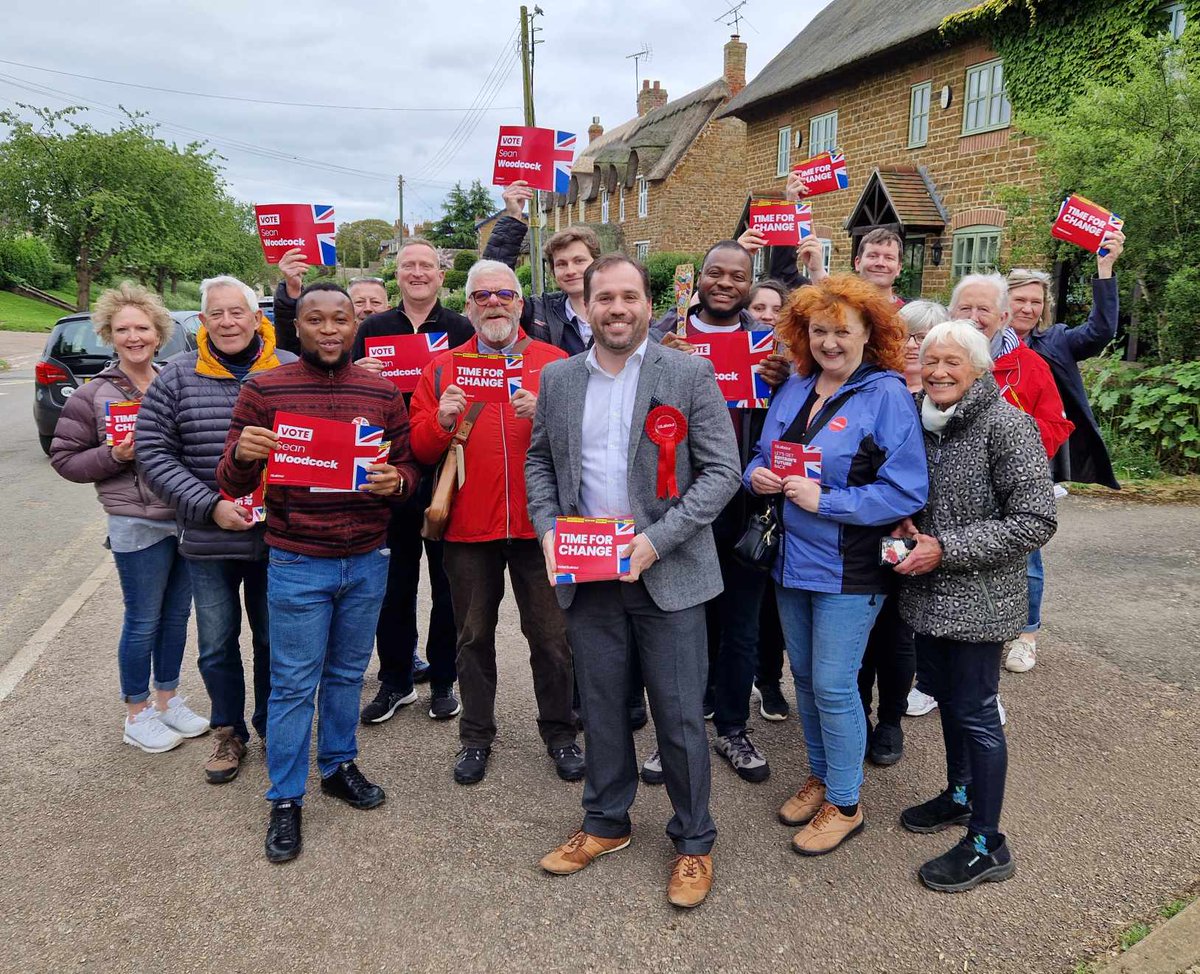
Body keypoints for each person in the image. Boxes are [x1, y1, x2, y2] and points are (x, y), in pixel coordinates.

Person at [526, 253, 741, 908]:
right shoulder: (560, 379)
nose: (617, 308)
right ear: (586, 306)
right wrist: (547, 531)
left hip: (666, 572)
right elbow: (538, 461)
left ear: (649, 304)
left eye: (629, 297)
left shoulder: (689, 371)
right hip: (588, 574)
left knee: (678, 716)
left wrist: (653, 541)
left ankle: (693, 840)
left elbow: (720, 473)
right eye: (604, 298)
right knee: (603, 708)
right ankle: (605, 823)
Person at [217, 281, 420, 863]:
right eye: (316, 320)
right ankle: (285, 797)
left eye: (341, 319)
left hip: (366, 559)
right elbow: (229, 482)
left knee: (347, 674)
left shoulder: (382, 391)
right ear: (294, 327)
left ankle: (336, 764)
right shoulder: (264, 389)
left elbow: (406, 467)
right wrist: (243, 456)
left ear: (356, 326)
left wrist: (398, 482)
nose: (329, 330)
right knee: (292, 684)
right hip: (297, 559)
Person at [744, 274, 928, 856]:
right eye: (819, 331)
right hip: (790, 561)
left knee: (832, 683)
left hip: (850, 568)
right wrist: (759, 476)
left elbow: (906, 490)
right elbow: (760, 453)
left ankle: (846, 804)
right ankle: (823, 777)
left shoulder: (888, 394)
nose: (829, 342)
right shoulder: (795, 387)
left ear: (869, 332)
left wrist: (826, 501)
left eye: (841, 331)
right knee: (805, 681)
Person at [892, 319, 1056, 892]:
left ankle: (989, 842)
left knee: (977, 711)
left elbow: (1037, 519)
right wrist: (905, 521)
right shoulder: (921, 419)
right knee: (948, 700)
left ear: (979, 370)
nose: (937, 371)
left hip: (981, 600)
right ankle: (960, 794)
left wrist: (947, 548)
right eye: (931, 360)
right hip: (928, 595)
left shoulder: (1007, 426)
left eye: (952, 363)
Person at [408, 259, 582, 785]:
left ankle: (560, 732)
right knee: (472, 636)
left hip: (540, 526)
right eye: (482, 296)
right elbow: (417, 447)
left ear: (521, 303)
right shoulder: (441, 369)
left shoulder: (555, 363)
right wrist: (440, 421)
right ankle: (476, 736)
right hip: (468, 525)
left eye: (504, 294)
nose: (494, 304)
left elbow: (588, 443)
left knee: (552, 638)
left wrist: (547, 416)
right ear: (469, 307)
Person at [138, 275, 296, 784]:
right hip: (211, 538)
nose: (228, 322)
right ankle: (229, 731)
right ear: (202, 322)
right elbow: (153, 455)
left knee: (276, 639)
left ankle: (275, 727)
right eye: (216, 314)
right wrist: (211, 506)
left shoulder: (292, 370)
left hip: (279, 539)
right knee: (216, 643)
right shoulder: (176, 377)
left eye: (237, 312)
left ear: (258, 318)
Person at [645, 241, 790, 786]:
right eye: (715, 273)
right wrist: (659, 362)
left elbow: (793, 419)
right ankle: (674, 735)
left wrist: (784, 383)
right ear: (698, 278)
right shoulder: (666, 339)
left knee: (741, 625)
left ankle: (732, 726)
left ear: (750, 284)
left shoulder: (770, 346)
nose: (725, 283)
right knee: (681, 624)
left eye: (737, 275)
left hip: (746, 504)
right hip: (679, 502)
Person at [49, 283, 206, 753]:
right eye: (123, 330)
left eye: (142, 328)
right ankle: (136, 713)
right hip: (136, 522)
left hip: (182, 515)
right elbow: (65, 460)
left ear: (158, 334)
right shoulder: (93, 395)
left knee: (177, 617)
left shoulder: (175, 381)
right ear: (109, 336)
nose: (134, 337)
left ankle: (167, 700)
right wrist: (114, 455)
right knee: (143, 619)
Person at [950, 273, 1073, 675]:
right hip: (951, 489)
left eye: (983, 309)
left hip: (1009, 487)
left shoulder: (1030, 365)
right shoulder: (939, 356)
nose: (973, 316)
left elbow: (1056, 424)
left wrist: (1012, 450)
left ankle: (1026, 635)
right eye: (965, 308)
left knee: (1026, 561)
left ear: (1002, 316)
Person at [855, 300, 951, 745]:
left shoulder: (948, 403)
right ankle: (859, 717)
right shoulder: (873, 389)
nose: (913, 347)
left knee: (897, 633)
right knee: (858, 635)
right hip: (865, 527)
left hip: (915, 534)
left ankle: (890, 722)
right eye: (907, 336)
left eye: (925, 340)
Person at [1007, 228, 1125, 492]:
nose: (1028, 308)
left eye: (1036, 302)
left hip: (1037, 448)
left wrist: (1105, 269)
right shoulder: (982, 343)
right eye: (1020, 300)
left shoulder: (1057, 340)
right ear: (1002, 301)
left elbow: (1100, 331)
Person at [484, 180, 601, 354]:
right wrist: (513, 216)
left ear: (597, 264)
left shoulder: (617, 308)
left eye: (579, 261)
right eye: (561, 264)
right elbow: (491, 277)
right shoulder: (537, 312)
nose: (570, 270)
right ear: (553, 272)